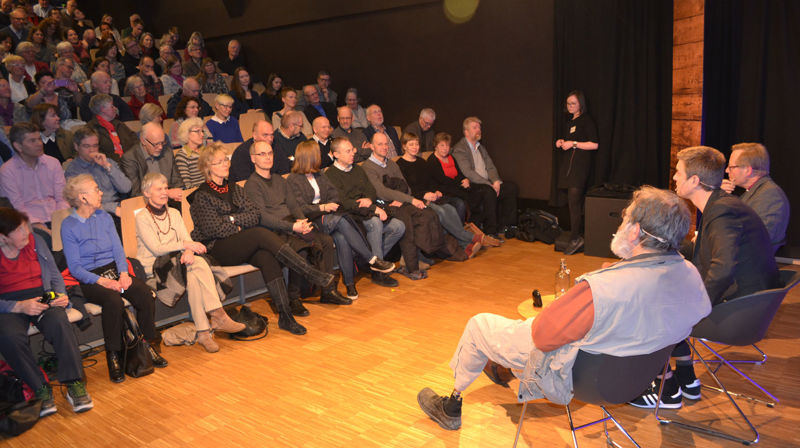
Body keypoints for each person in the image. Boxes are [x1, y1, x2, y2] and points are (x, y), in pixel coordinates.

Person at [417, 186, 712, 430]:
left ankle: (451, 405)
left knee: (479, 324)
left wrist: (581, 298)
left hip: (578, 375)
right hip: (630, 376)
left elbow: (543, 337)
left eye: (626, 218)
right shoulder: (688, 272)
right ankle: (504, 368)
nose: (622, 223)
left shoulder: (601, 289)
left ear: (635, 232)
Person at [630, 146, 780, 409]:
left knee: (655, 307)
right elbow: (708, 257)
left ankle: (667, 390)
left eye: (678, 173)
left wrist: (695, 308)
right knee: (668, 297)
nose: (674, 178)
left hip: (741, 311)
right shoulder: (720, 206)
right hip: (747, 302)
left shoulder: (722, 211)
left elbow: (722, 269)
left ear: (694, 181)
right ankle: (687, 378)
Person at [188, 144, 337, 335]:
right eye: (219, 161)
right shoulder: (201, 196)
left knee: (266, 256)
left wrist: (232, 220)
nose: (226, 164)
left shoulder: (234, 188)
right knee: (259, 233)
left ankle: (285, 316)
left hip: (240, 241)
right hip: (218, 248)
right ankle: (309, 271)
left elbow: (253, 215)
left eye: (226, 159)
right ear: (208, 168)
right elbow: (212, 229)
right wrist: (238, 224)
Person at [61, 174, 167, 383]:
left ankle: (146, 345)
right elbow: (74, 267)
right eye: (95, 189)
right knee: (112, 300)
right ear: (82, 197)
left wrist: (124, 273)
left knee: (145, 294)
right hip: (90, 278)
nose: (100, 192)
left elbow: (119, 251)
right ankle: (114, 355)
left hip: (114, 270)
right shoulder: (69, 225)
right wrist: (103, 281)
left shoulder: (104, 217)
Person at [136, 172, 244, 353]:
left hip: (179, 263)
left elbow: (187, 239)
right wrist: (186, 246)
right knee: (199, 264)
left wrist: (188, 251)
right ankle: (217, 314)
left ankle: (203, 332)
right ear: (147, 193)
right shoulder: (142, 217)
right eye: (159, 189)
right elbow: (157, 249)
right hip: (156, 268)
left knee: (193, 274)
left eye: (165, 188)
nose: (164, 192)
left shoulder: (174, 213)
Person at [0, 207, 93, 415]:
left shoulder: (35, 242)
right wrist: (18, 306)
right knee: (8, 337)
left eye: (26, 228)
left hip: (42, 295)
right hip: (9, 304)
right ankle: (39, 387)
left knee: (59, 322)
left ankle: (74, 383)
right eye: (19, 230)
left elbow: (53, 273)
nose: (26, 233)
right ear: (3, 237)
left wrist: (61, 296)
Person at [245, 140, 351, 312]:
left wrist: (303, 222)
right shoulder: (252, 185)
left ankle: (328, 290)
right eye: (262, 154)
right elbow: (262, 217)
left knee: (325, 240)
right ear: (253, 158)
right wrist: (293, 227)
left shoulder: (280, 180)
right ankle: (293, 298)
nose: (267, 157)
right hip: (273, 232)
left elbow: (294, 206)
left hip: (292, 225)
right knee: (300, 248)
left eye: (269, 153)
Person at [288, 141, 395, 300]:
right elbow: (299, 208)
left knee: (342, 238)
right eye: (316, 154)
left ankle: (350, 285)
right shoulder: (293, 179)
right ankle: (371, 259)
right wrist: (322, 207)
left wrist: (328, 206)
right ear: (307, 157)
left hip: (330, 217)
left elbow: (335, 196)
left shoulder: (319, 174)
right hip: (312, 221)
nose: (320, 157)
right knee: (343, 220)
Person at [362, 132, 448, 279]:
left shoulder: (391, 163)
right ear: (372, 146)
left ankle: (419, 254)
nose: (384, 147)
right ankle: (411, 268)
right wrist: (410, 199)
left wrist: (403, 199)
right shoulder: (368, 167)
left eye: (385, 144)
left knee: (428, 214)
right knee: (406, 222)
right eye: (379, 144)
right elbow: (381, 192)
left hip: (400, 201)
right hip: (383, 205)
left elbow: (406, 187)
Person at [324, 137, 404, 288]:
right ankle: (379, 273)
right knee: (375, 222)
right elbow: (344, 203)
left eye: (353, 149)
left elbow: (372, 192)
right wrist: (372, 207)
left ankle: (367, 261)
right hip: (350, 217)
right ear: (336, 154)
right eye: (348, 151)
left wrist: (368, 201)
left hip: (366, 211)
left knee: (398, 227)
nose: (353, 153)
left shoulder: (358, 169)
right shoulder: (330, 175)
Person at [397, 132, 481, 259]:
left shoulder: (421, 162)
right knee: (441, 211)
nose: (415, 147)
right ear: (404, 146)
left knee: (451, 209)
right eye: (411, 144)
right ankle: (469, 238)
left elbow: (429, 181)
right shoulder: (400, 165)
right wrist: (424, 195)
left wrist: (435, 191)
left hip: (430, 196)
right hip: (416, 199)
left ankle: (463, 243)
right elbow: (406, 188)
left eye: (417, 144)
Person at [427, 132, 501, 247]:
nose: (445, 148)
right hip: (443, 190)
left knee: (483, 191)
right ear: (435, 146)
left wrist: (465, 179)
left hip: (456, 187)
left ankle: (482, 229)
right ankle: (462, 235)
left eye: (447, 145)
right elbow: (443, 181)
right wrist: (460, 183)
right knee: (463, 201)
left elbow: (459, 174)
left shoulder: (451, 157)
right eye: (442, 145)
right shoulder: (432, 160)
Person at [452, 116, 519, 241]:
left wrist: (496, 182)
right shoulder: (459, 149)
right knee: (489, 192)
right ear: (466, 132)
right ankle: (490, 231)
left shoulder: (480, 147)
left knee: (511, 188)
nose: (479, 130)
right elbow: (468, 172)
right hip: (473, 185)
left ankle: (507, 226)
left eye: (479, 127)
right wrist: (489, 184)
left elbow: (491, 167)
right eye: (475, 127)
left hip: (487, 183)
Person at [0, 122, 67, 240]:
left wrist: (59, 220)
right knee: (45, 239)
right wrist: (37, 225)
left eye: (39, 139)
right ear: (18, 146)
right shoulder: (7, 171)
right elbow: (18, 206)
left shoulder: (53, 163)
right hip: (28, 222)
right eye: (32, 141)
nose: (39, 144)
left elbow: (62, 197)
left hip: (57, 216)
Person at [721, 142, 790, 254]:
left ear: (748, 170)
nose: (727, 171)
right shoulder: (755, 192)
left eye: (731, 167)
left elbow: (757, 241)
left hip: (746, 266)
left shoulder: (770, 196)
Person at [554, 91, 599, 255]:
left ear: (581, 104)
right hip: (569, 166)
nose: (570, 106)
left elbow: (594, 144)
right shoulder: (570, 122)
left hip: (580, 166)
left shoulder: (586, 120)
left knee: (575, 202)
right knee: (572, 203)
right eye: (568, 104)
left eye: (573, 103)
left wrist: (573, 143)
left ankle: (576, 238)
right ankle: (575, 236)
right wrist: (561, 142)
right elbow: (570, 141)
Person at [63, 125, 130, 219]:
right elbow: (82, 204)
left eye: (95, 146)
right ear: (76, 146)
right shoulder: (73, 171)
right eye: (86, 146)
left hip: (119, 208)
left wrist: (107, 166)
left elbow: (126, 188)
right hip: (94, 215)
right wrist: (112, 208)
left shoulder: (107, 162)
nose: (92, 150)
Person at [121, 122, 184, 198]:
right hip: (145, 203)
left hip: (171, 201)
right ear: (143, 141)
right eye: (156, 144)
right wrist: (166, 193)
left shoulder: (167, 152)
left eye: (162, 142)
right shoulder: (130, 158)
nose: (160, 147)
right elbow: (135, 193)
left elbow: (178, 182)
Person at [86, 93, 138, 162]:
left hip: (131, 162)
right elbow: (95, 153)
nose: (115, 109)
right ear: (103, 109)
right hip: (108, 166)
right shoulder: (90, 129)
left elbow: (135, 140)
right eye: (112, 106)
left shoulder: (119, 124)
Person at [174, 117, 206, 187]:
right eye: (197, 131)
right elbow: (187, 186)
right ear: (187, 134)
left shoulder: (206, 151)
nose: (202, 134)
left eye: (202, 131)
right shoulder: (182, 157)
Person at [272, 110, 306, 175]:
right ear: (291, 127)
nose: (302, 128)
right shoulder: (275, 141)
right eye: (301, 126)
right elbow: (284, 166)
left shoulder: (301, 136)